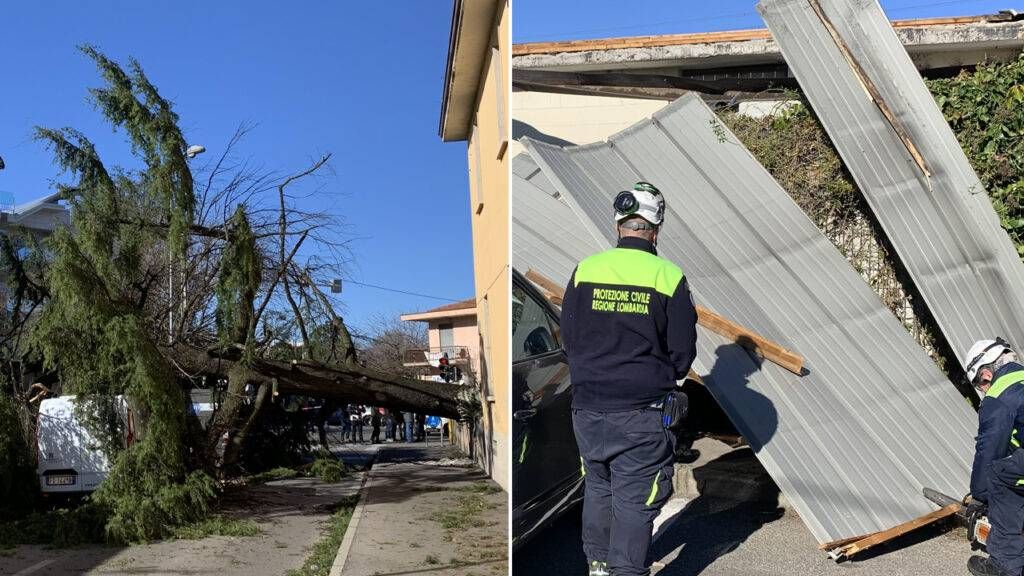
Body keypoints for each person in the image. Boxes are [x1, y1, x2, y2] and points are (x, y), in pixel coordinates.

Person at [561, 181, 698, 576]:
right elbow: (682, 351)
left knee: (599, 488)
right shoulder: (668, 275)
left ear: (619, 224)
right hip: (642, 412)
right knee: (635, 502)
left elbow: (568, 337)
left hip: (587, 410)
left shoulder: (586, 270)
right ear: (656, 229)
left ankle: (598, 566)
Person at [965, 338, 1024, 576]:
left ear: (986, 374)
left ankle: (1005, 565)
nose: (984, 391)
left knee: (999, 476)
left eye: (981, 386)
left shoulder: (998, 396)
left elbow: (989, 449)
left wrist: (979, 495)